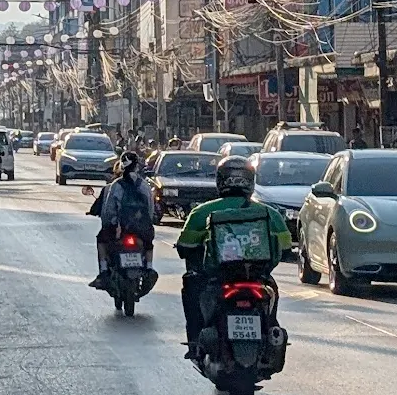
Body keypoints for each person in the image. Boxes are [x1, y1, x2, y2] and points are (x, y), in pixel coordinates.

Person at [174, 157, 291, 356]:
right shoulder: (270, 213)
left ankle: (195, 343)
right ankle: (271, 331)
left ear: (220, 181)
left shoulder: (202, 213)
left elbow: (185, 247)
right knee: (272, 291)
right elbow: (286, 248)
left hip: (215, 279)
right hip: (258, 278)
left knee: (191, 286)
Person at [89, 151, 156, 289]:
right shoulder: (145, 186)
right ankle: (149, 268)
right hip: (141, 230)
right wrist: (146, 224)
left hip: (119, 229)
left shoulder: (115, 186)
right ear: (137, 166)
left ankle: (104, 271)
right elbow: (150, 210)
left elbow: (108, 211)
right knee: (148, 243)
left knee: (101, 240)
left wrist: (108, 225)